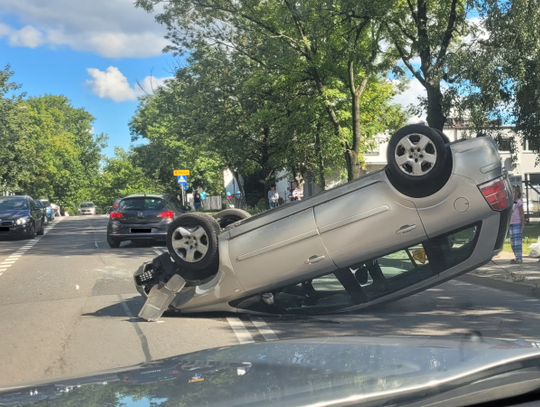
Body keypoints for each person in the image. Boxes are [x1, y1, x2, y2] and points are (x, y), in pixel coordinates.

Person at [509, 185, 525, 264]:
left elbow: (522, 213)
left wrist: (523, 223)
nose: (512, 193)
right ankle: (516, 256)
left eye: (513, 192)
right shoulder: (510, 202)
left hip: (517, 224)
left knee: (517, 242)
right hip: (510, 224)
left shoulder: (519, 202)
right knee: (512, 242)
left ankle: (519, 258)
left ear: (517, 193)